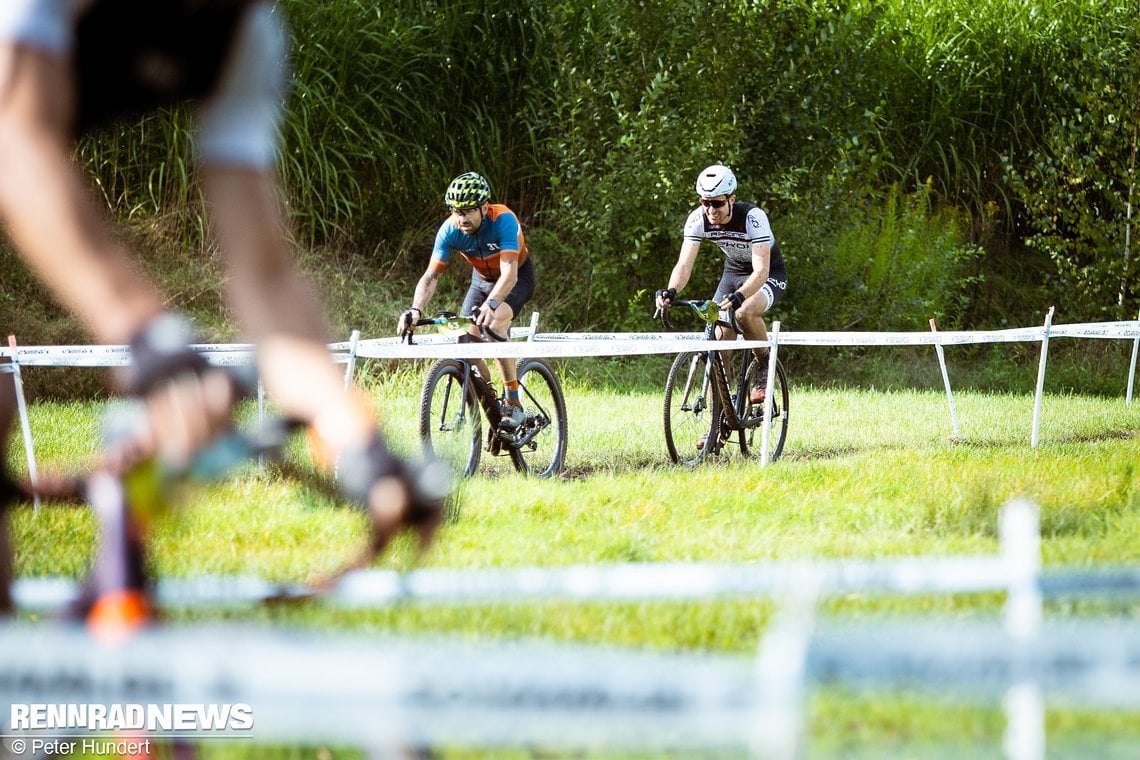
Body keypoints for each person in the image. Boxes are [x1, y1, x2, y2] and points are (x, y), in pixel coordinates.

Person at [0, 0, 448, 591]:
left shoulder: (247, 34)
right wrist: (146, 331)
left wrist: (352, 436)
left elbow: (265, 277)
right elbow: (18, 144)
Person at [397, 172, 536, 430]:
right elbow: (431, 276)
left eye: (469, 211)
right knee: (464, 340)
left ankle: (513, 402)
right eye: (456, 211)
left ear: (484, 207)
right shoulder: (450, 230)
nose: (461, 218)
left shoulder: (503, 219)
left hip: (516, 277)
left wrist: (492, 304)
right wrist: (416, 309)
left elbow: (509, 274)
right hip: (481, 281)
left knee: (494, 326)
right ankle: (491, 400)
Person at [655, 164, 788, 404]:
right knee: (718, 341)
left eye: (717, 203)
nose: (711, 209)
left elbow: (761, 271)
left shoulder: (752, 218)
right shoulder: (698, 219)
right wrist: (671, 291)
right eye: (705, 202)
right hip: (733, 273)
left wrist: (740, 296)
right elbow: (684, 265)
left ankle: (763, 367)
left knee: (745, 313)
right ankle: (722, 414)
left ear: (731, 199)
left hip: (767, 273)